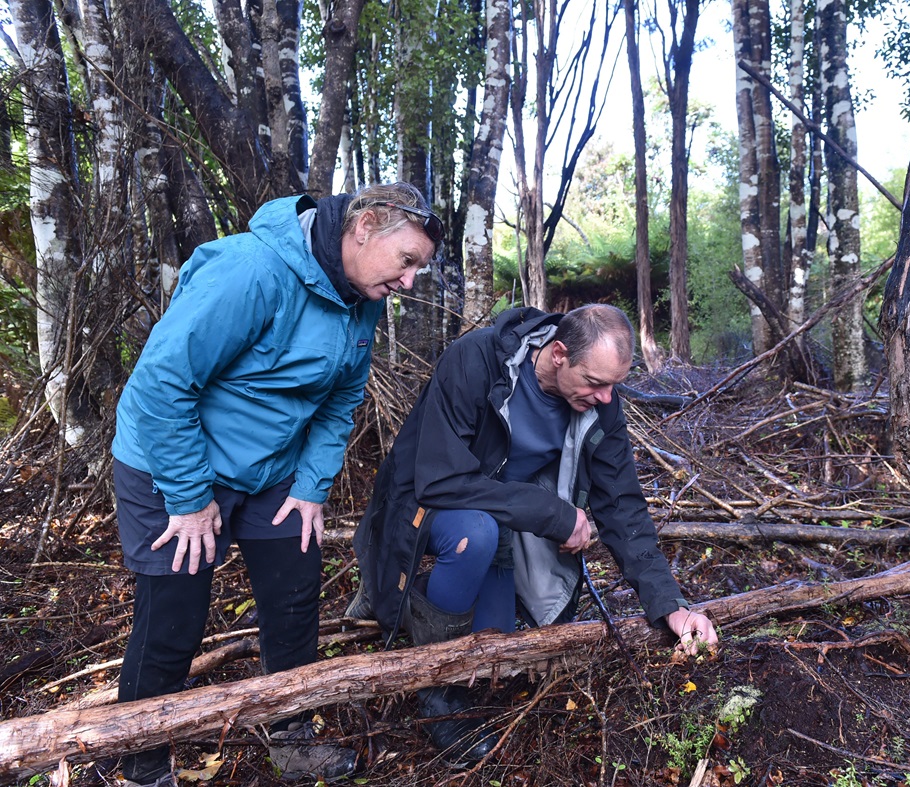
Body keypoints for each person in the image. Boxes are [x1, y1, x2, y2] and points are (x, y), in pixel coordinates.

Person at [111, 182, 441, 787]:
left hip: (270, 473)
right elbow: (160, 385)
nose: (409, 283)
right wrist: (188, 499)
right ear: (364, 226)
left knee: (294, 604)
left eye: (419, 268)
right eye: (407, 261)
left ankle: (291, 739)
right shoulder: (251, 271)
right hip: (170, 468)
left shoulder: (359, 294)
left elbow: (342, 399)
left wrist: (312, 484)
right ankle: (143, 764)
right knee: (172, 623)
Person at [349, 304, 719, 765]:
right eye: (596, 382)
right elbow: (440, 479)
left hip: (505, 517)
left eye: (614, 386)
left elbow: (622, 506)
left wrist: (671, 608)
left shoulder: (600, 403)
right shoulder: (477, 360)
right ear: (559, 353)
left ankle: (430, 602)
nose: (606, 398)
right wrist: (552, 513)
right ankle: (437, 693)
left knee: (495, 648)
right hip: (426, 504)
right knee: (474, 535)